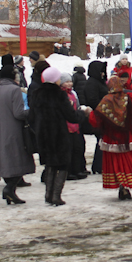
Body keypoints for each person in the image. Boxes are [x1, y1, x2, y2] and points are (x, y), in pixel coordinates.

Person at [29, 67, 87, 205]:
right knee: (62, 165)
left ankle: (48, 195)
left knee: (50, 164)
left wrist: (38, 128)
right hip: (59, 134)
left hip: (43, 135)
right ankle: (56, 195)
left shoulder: (37, 94)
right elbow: (71, 116)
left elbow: (31, 117)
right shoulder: (59, 95)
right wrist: (82, 113)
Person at [89, 76, 132, 200]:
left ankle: (121, 184)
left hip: (111, 137)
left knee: (115, 162)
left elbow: (95, 120)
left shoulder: (106, 100)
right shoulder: (127, 98)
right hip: (127, 136)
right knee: (129, 160)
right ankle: (128, 184)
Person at [0, 64, 34, 205]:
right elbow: (19, 113)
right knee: (18, 160)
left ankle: (11, 191)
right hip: (14, 131)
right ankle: (9, 189)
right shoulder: (15, 90)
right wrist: (31, 112)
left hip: (0, 131)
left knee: (5, 160)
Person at [60, 72, 88, 180]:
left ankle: (77, 170)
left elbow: (77, 105)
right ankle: (69, 171)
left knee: (78, 148)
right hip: (67, 126)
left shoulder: (73, 94)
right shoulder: (62, 94)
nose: (69, 84)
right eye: (67, 82)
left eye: (70, 81)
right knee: (69, 150)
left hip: (75, 125)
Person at [84, 60, 109, 174]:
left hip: (103, 114)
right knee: (102, 140)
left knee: (102, 140)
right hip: (98, 115)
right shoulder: (92, 83)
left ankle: (99, 165)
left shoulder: (99, 81)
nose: (103, 74)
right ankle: (99, 166)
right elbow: (92, 100)